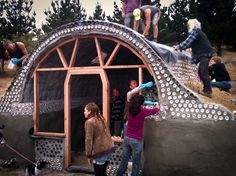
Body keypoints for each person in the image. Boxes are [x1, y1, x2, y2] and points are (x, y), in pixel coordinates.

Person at [116, 94, 160, 176]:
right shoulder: (143, 112)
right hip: (137, 140)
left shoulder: (130, 109)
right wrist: (156, 103)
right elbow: (157, 109)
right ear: (141, 104)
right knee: (136, 162)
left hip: (127, 138)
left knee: (124, 159)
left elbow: (130, 97)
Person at [173, 19, 213, 98]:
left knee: (203, 71)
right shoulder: (198, 32)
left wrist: (178, 47)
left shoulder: (195, 31)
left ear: (192, 25)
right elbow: (190, 44)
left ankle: (208, 91)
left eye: (188, 25)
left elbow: (187, 42)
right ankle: (207, 89)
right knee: (201, 71)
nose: (188, 26)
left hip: (205, 53)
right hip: (205, 53)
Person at [84, 102, 116, 176]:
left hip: (101, 152)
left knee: (98, 174)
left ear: (89, 111)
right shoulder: (102, 119)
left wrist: (88, 155)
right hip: (110, 149)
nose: (84, 112)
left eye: (85, 110)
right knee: (103, 173)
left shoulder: (89, 122)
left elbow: (88, 140)